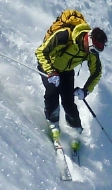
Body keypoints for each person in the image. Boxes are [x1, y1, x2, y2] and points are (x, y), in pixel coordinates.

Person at [35, 10, 107, 141]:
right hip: (48, 65)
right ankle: (53, 121)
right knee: (53, 90)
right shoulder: (64, 36)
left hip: (66, 71)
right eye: (92, 50)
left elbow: (96, 72)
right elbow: (41, 51)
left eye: (96, 51)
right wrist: (50, 71)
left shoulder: (91, 52)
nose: (92, 53)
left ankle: (75, 128)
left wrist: (85, 90)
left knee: (68, 101)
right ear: (87, 39)